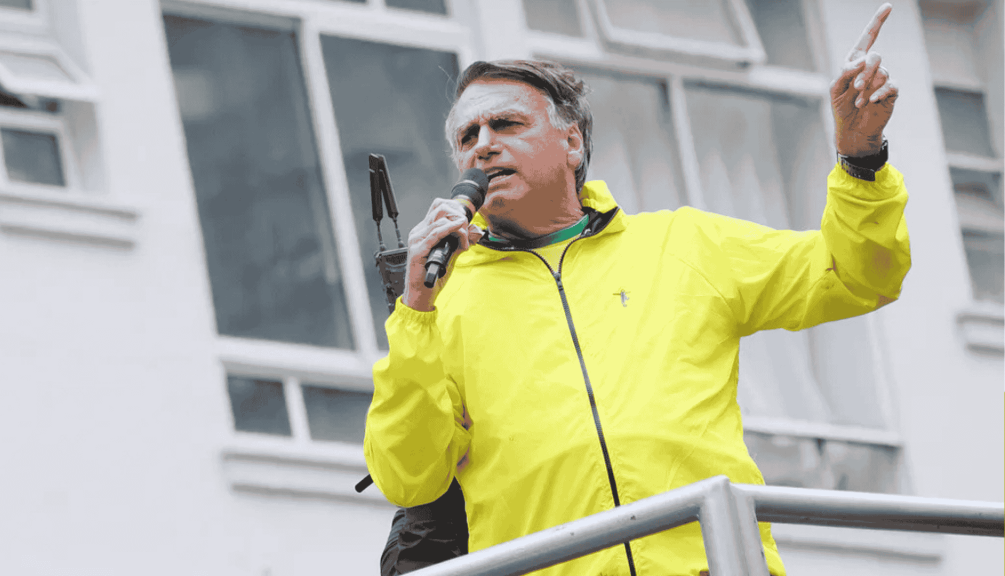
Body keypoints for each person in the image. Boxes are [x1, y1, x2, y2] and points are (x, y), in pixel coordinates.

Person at [366, 4, 908, 575]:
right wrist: (416, 309)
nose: (483, 145)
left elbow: (855, 274)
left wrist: (860, 159)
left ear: (572, 142)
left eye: (506, 125)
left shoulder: (683, 244)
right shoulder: (439, 303)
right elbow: (408, 477)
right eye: (467, 136)